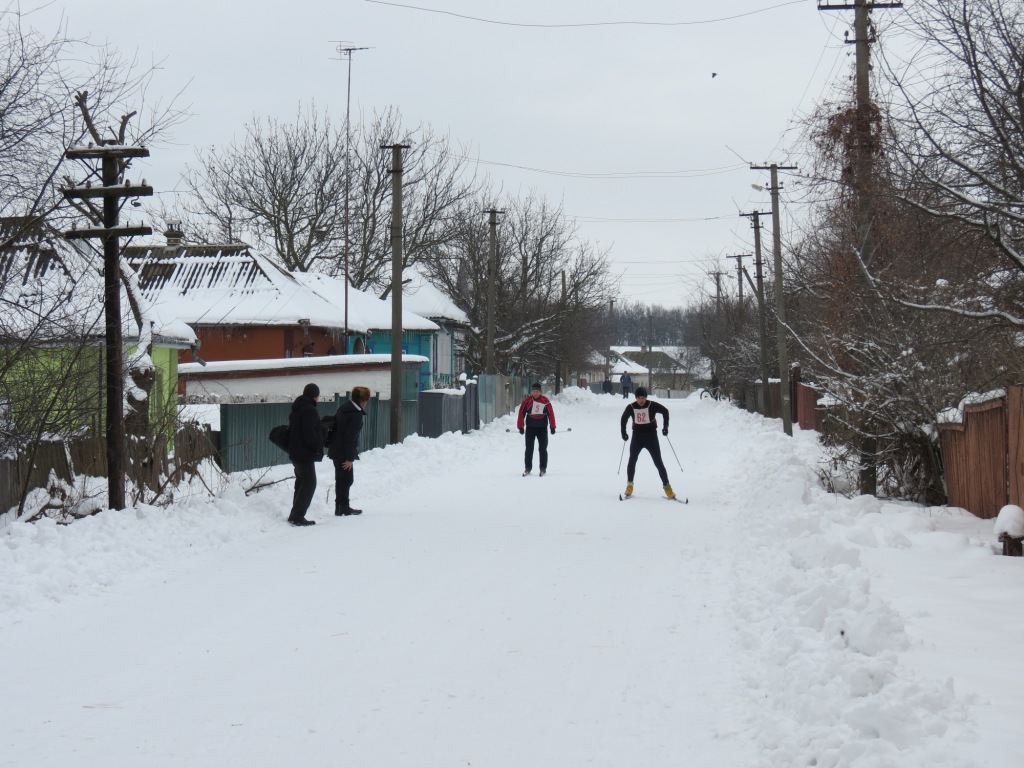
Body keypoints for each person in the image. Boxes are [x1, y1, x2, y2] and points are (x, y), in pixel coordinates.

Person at [620, 386, 675, 499]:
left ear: (646, 397)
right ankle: (629, 485)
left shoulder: (652, 405)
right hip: (637, 437)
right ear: (636, 398)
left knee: (658, 462)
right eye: (639, 398)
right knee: (632, 460)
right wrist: (623, 433)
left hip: (651, 437)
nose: (641, 400)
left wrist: (665, 427)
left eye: (643, 398)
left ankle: (668, 488)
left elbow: (665, 411)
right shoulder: (631, 407)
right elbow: (623, 419)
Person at [286, 382, 324, 526]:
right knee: (309, 483)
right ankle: (297, 516)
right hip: (304, 453)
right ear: (315, 396)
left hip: (295, 452)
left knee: (301, 482)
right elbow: (309, 433)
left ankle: (294, 514)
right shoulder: (309, 410)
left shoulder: (297, 408)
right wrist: (316, 447)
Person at [329, 385, 370, 516]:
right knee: (346, 480)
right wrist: (349, 458)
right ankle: (344, 507)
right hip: (343, 452)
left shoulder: (344, 407)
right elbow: (350, 437)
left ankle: (339, 507)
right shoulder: (356, 414)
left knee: (340, 479)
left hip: (335, 449)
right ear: (363, 401)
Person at [517, 382, 556, 476]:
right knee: (529, 449)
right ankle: (528, 467)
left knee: (542, 448)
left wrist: (552, 426)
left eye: (537, 391)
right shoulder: (527, 401)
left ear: (540, 392)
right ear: (531, 392)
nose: (535, 393)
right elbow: (521, 413)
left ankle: (543, 467)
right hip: (530, 428)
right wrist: (520, 427)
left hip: (542, 428)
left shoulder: (545, 401)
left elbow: (551, 413)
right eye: (534, 391)